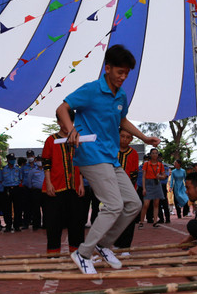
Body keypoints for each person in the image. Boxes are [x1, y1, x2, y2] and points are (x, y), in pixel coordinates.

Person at [57, 44, 160, 275]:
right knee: (114, 205)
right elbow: (63, 108)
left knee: (132, 204)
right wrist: (72, 129)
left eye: (126, 73)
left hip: (110, 157)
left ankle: (103, 246)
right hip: (90, 154)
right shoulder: (91, 90)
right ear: (108, 68)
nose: (123, 77)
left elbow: (122, 120)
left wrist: (143, 137)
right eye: (119, 72)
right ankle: (83, 253)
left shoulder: (121, 95)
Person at [42, 117, 85, 255]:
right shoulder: (51, 140)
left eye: (71, 122)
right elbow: (46, 163)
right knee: (53, 224)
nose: (67, 124)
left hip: (75, 187)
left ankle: (77, 255)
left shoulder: (78, 139)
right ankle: (53, 255)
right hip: (55, 187)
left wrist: (81, 183)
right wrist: (48, 183)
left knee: (77, 224)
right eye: (64, 121)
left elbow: (81, 162)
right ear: (59, 122)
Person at [114, 129, 140, 251]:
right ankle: (114, 243)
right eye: (122, 136)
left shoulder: (133, 153)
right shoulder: (111, 150)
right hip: (112, 190)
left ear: (131, 139)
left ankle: (126, 246)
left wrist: (130, 191)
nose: (124, 139)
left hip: (128, 190)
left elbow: (134, 175)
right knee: (114, 218)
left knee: (128, 219)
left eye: (127, 137)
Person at [139, 149, 166, 228]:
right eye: (153, 153)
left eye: (156, 153)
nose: (154, 155)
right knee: (146, 204)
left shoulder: (160, 165)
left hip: (157, 183)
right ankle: (141, 221)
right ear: (150, 155)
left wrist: (160, 176)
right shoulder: (146, 164)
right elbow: (143, 177)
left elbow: (164, 175)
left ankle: (155, 222)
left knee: (156, 204)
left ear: (158, 155)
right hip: (148, 183)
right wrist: (144, 188)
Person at [24, 154, 45, 231]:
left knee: (45, 208)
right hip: (36, 191)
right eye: (39, 160)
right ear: (36, 161)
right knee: (36, 209)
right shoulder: (33, 171)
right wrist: (31, 187)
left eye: (41, 160)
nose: (40, 162)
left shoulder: (46, 170)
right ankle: (36, 224)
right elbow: (29, 181)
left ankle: (45, 224)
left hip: (45, 191)